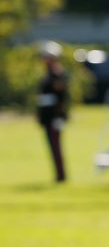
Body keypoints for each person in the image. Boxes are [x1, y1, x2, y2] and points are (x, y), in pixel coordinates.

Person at [37, 40, 69, 183]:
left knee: (56, 147)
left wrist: (59, 116)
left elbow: (61, 98)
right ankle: (58, 175)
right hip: (47, 116)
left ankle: (61, 176)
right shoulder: (48, 74)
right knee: (52, 147)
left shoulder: (57, 74)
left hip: (54, 117)